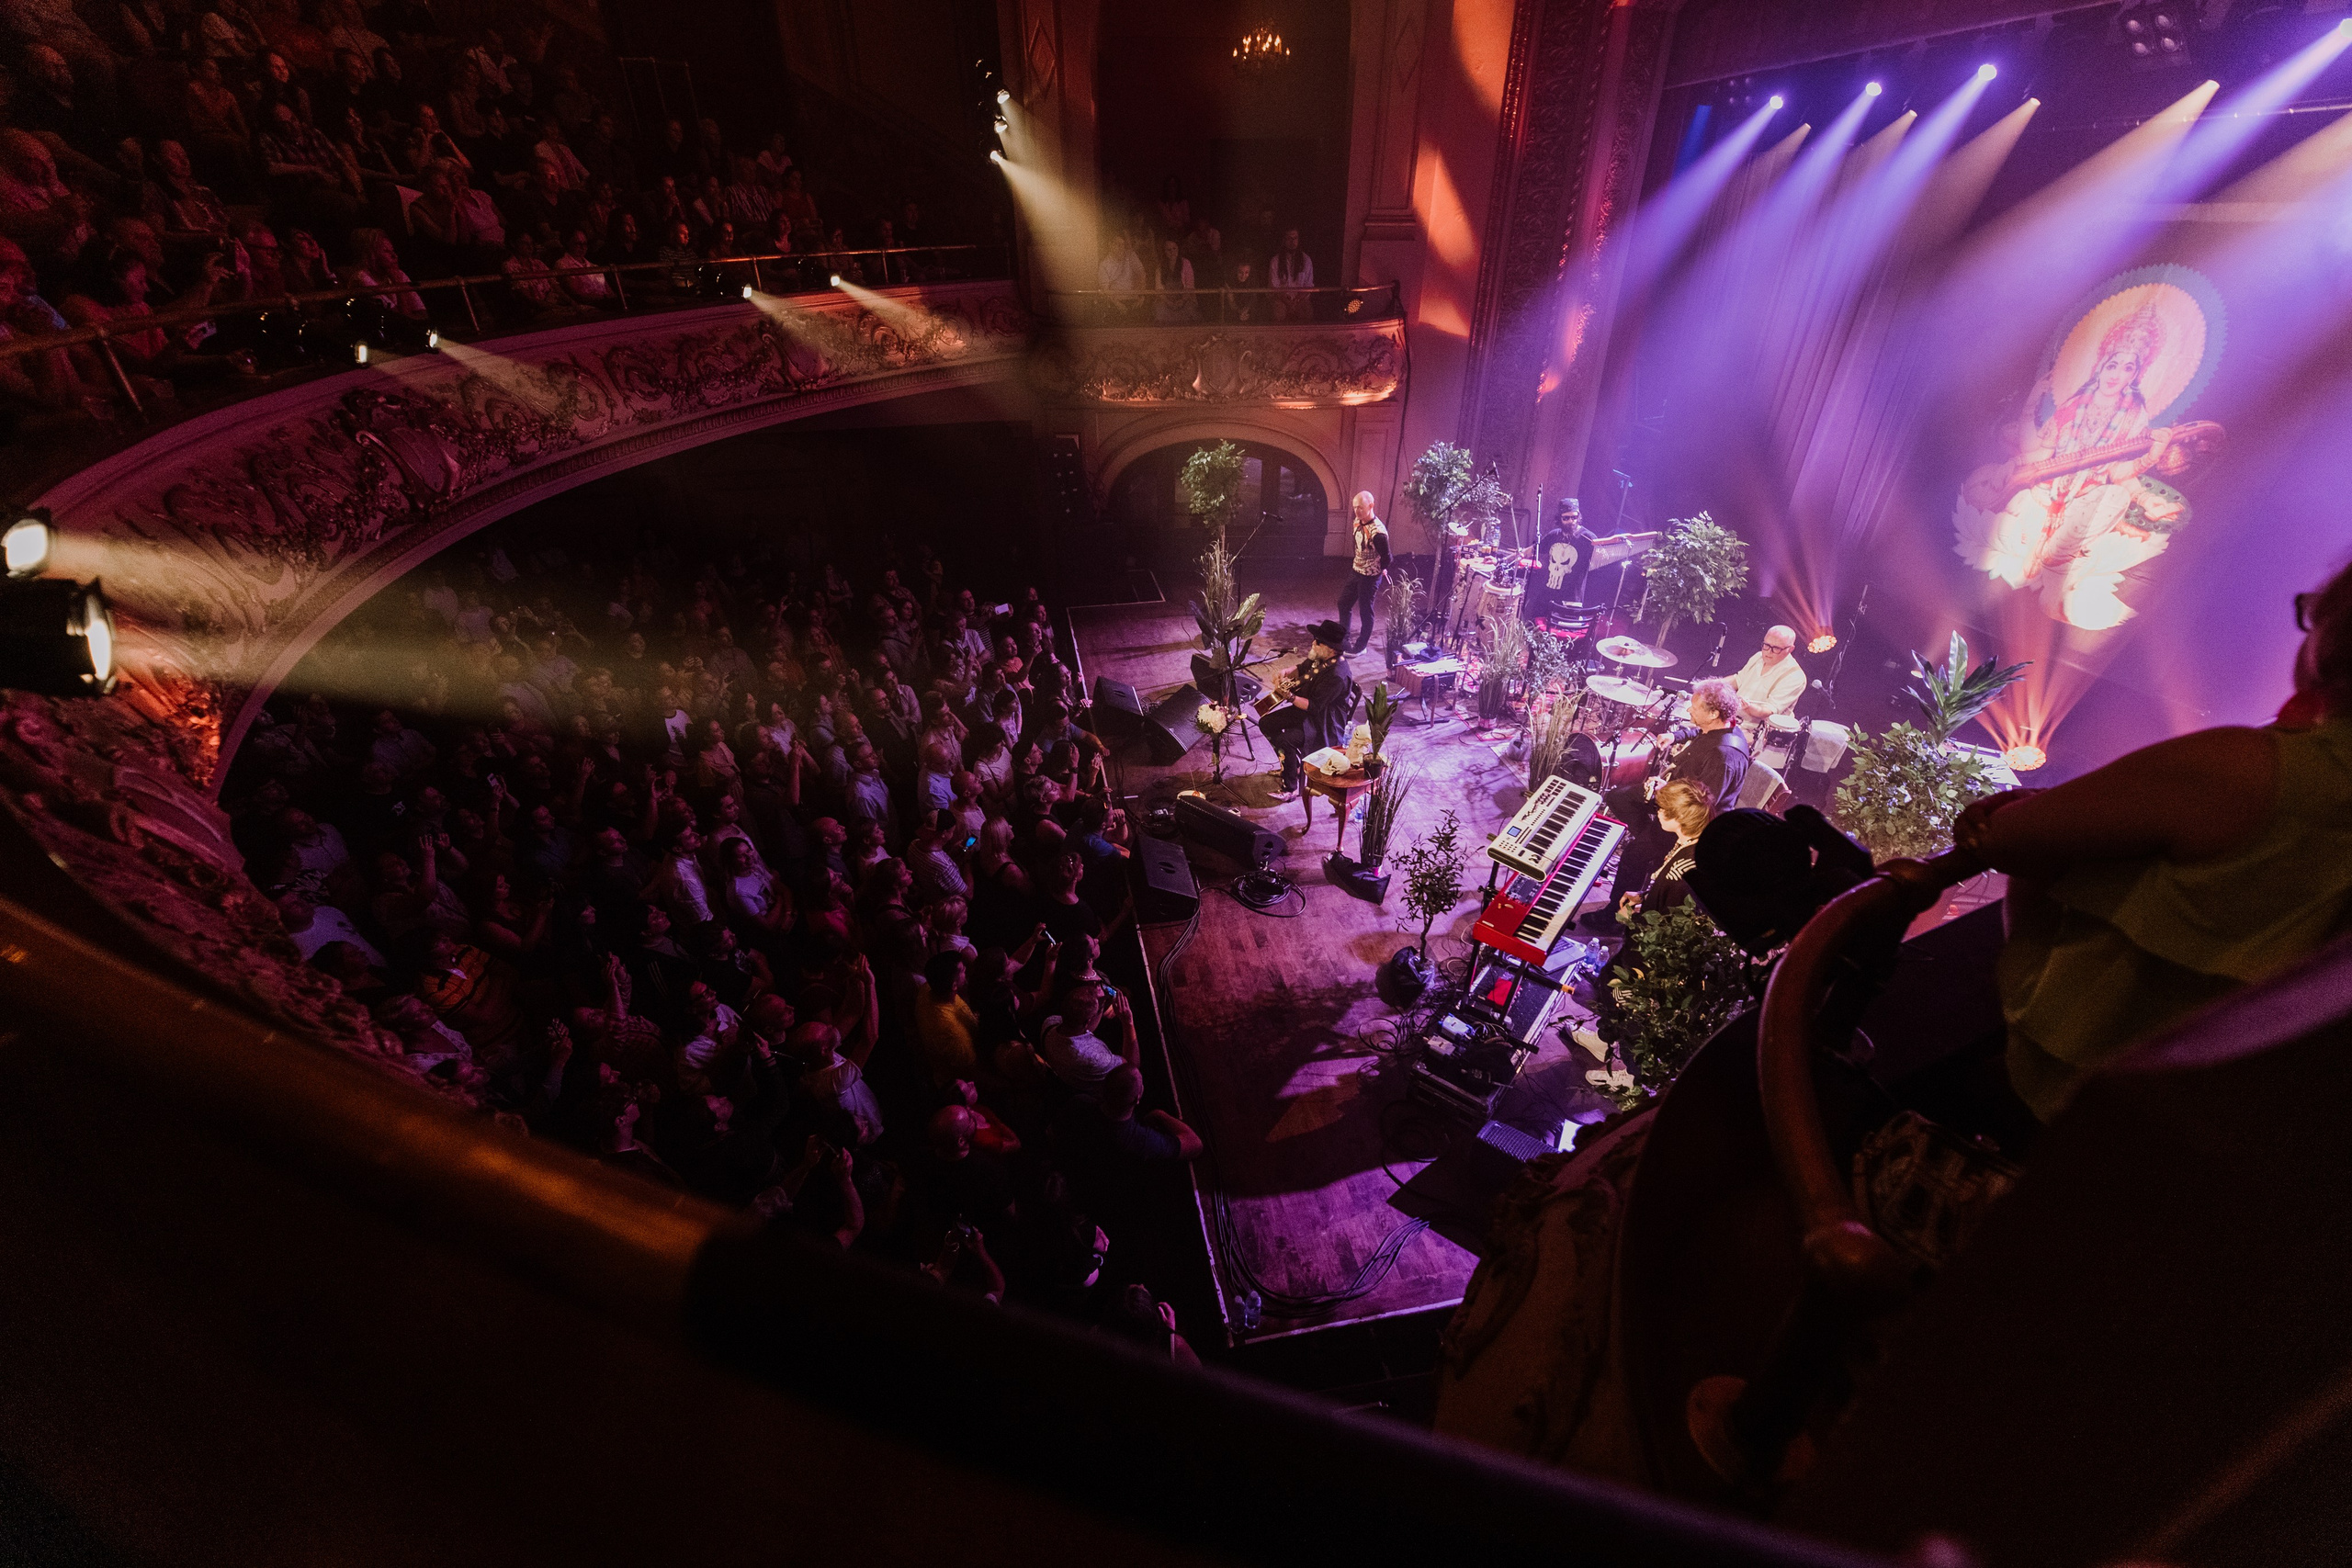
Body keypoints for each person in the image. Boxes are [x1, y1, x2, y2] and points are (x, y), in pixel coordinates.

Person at [1954, 562, 2352, 1122]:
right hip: (2220, 1135)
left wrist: (2018, 816)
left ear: (2334, 641)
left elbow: (2005, 838)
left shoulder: (2252, 769)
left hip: (2069, 1097)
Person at [1592, 677, 1747, 925]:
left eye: (1695, 708)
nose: (1689, 710)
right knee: (1617, 797)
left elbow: (1702, 804)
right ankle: (1651, 848)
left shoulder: (1724, 756)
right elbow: (1700, 731)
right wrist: (1677, 736)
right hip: (1672, 796)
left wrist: (1665, 791)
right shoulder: (1722, 726)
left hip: (1689, 823)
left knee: (1633, 855)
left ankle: (1615, 918)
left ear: (1714, 713)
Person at [1522, 497, 1657, 627]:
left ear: (1579, 517)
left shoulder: (1588, 538)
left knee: (1562, 638)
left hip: (1570, 601)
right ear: (1560, 518)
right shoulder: (1554, 535)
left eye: (1574, 517)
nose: (1571, 521)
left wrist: (1616, 547)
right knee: (1533, 629)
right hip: (1547, 595)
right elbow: (1532, 550)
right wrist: (1519, 554)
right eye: (1566, 518)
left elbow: (1603, 556)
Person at [1259, 620, 1351, 800]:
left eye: (1317, 641)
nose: (1313, 643)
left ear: (1330, 648)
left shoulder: (1336, 676)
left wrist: (1290, 697)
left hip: (1322, 724)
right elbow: (1303, 668)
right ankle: (1289, 765)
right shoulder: (1324, 659)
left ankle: (1291, 788)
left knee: (1286, 740)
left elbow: (1315, 707)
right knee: (1266, 723)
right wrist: (1286, 671)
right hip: (1307, 714)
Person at [1725, 626, 1805, 740]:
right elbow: (1738, 680)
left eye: (1776, 648)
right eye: (1766, 645)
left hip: (1756, 734)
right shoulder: (1758, 657)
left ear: (1790, 649)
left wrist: (1748, 707)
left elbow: (1767, 711)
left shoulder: (1795, 676)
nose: (1768, 652)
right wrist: (1713, 685)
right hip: (1734, 720)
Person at [1336, 491, 1390, 655]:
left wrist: (1380, 570)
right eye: (1354, 507)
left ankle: (1361, 646)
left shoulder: (1378, 533)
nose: (1357, 511)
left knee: (1366, 611)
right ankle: (1344, 640)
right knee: (1343, 603)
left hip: (1370, 576)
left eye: (1360, 507)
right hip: (1357, 570)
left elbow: (1388, 557)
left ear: (1371, 506)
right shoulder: (1357, 522)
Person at [1269, 227, 1314, 321]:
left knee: (1306, 312)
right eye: (1289, 238)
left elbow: (1308, 285)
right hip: (1282, 299)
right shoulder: (1276, 261)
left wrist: (1296, 300)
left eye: (1295, 238)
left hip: (1300, 299)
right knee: (1278, 312)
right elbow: (1274, 286)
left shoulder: (1306, 260)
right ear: (1284, 240)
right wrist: (1287, 302)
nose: (1292, 242)